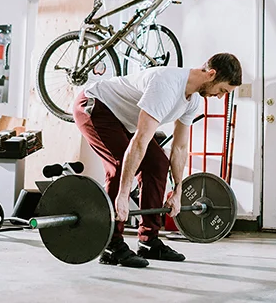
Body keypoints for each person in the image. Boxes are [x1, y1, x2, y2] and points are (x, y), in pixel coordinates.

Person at [73, 53, 242, 268]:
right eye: (222, 90)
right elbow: (141, 140)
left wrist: (177, 190)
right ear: (211, 74)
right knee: (119, 165)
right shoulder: (167, 84)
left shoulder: (193, 100)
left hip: (123, 121)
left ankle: (149, 241)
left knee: (157, 164)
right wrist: (124, 193)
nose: (220, 97)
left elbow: (180, 147)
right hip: (95, 106)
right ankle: (111, 244)